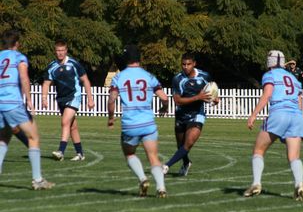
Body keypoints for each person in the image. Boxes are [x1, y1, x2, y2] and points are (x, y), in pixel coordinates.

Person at [244, 50, 303, 201]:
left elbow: (267, 95)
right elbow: (299, 102)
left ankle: (256, 183)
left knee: (258, 149)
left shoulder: (269, 75)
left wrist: (253, 115)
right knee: (294, 156)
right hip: (297, 116)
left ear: (270, 62)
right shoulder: (293, 78)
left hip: (279, 113)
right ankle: (299, 184)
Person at [107, 45, 168, 198]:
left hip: (130, 124)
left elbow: (112, 100)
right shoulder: (149, 76)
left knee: (129, 153)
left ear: (126, 60)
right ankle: (161, 188)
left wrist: (110, 118)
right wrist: (164, 108)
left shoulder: (119, 77)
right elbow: (165, 98)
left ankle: (142, 179)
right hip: (148, 124)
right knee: (153, 157)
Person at [0, 29, 55, 190]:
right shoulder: (19, 57)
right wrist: (29, 100)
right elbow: (24, 77)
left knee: (4, 137)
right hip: (12, 102)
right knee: (33, 137)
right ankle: (37, 180)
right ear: (17, 43)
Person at [162, 53, 219, 176]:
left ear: (194, 64)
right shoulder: (178, 79)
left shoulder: (204, 76)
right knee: (180, 146)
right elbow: (177, 101)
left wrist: (215, 98)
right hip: (181, 115)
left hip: (197, 115)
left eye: (188, 64)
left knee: (188, 143)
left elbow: (211, 89)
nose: (186, 67)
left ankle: (166, 166)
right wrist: (198, 97)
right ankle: (186, 162)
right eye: (183, 64)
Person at [42, 39, 94, 161]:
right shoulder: (51, 66)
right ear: (55, 51)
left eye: (62, 50)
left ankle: (61, 151)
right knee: (72, 126)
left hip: (74, 96)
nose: (60, 53)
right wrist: (44, 98)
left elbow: (85, 80)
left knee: (65, 122)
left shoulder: (74, 64)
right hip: (61, 99)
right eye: (58, 51)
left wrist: (90, 99)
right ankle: (80, 154)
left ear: (66, 51)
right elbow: (46, 83)